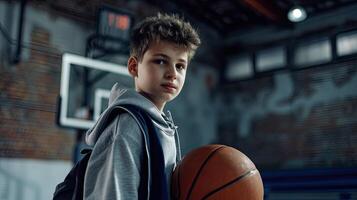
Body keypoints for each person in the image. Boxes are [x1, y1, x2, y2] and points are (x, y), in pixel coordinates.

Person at [83, 13, 201, 200]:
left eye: (180, 66)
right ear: (133, 66)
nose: (172, 73)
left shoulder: (161, 124)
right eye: (161, 61)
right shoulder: (129, 126)